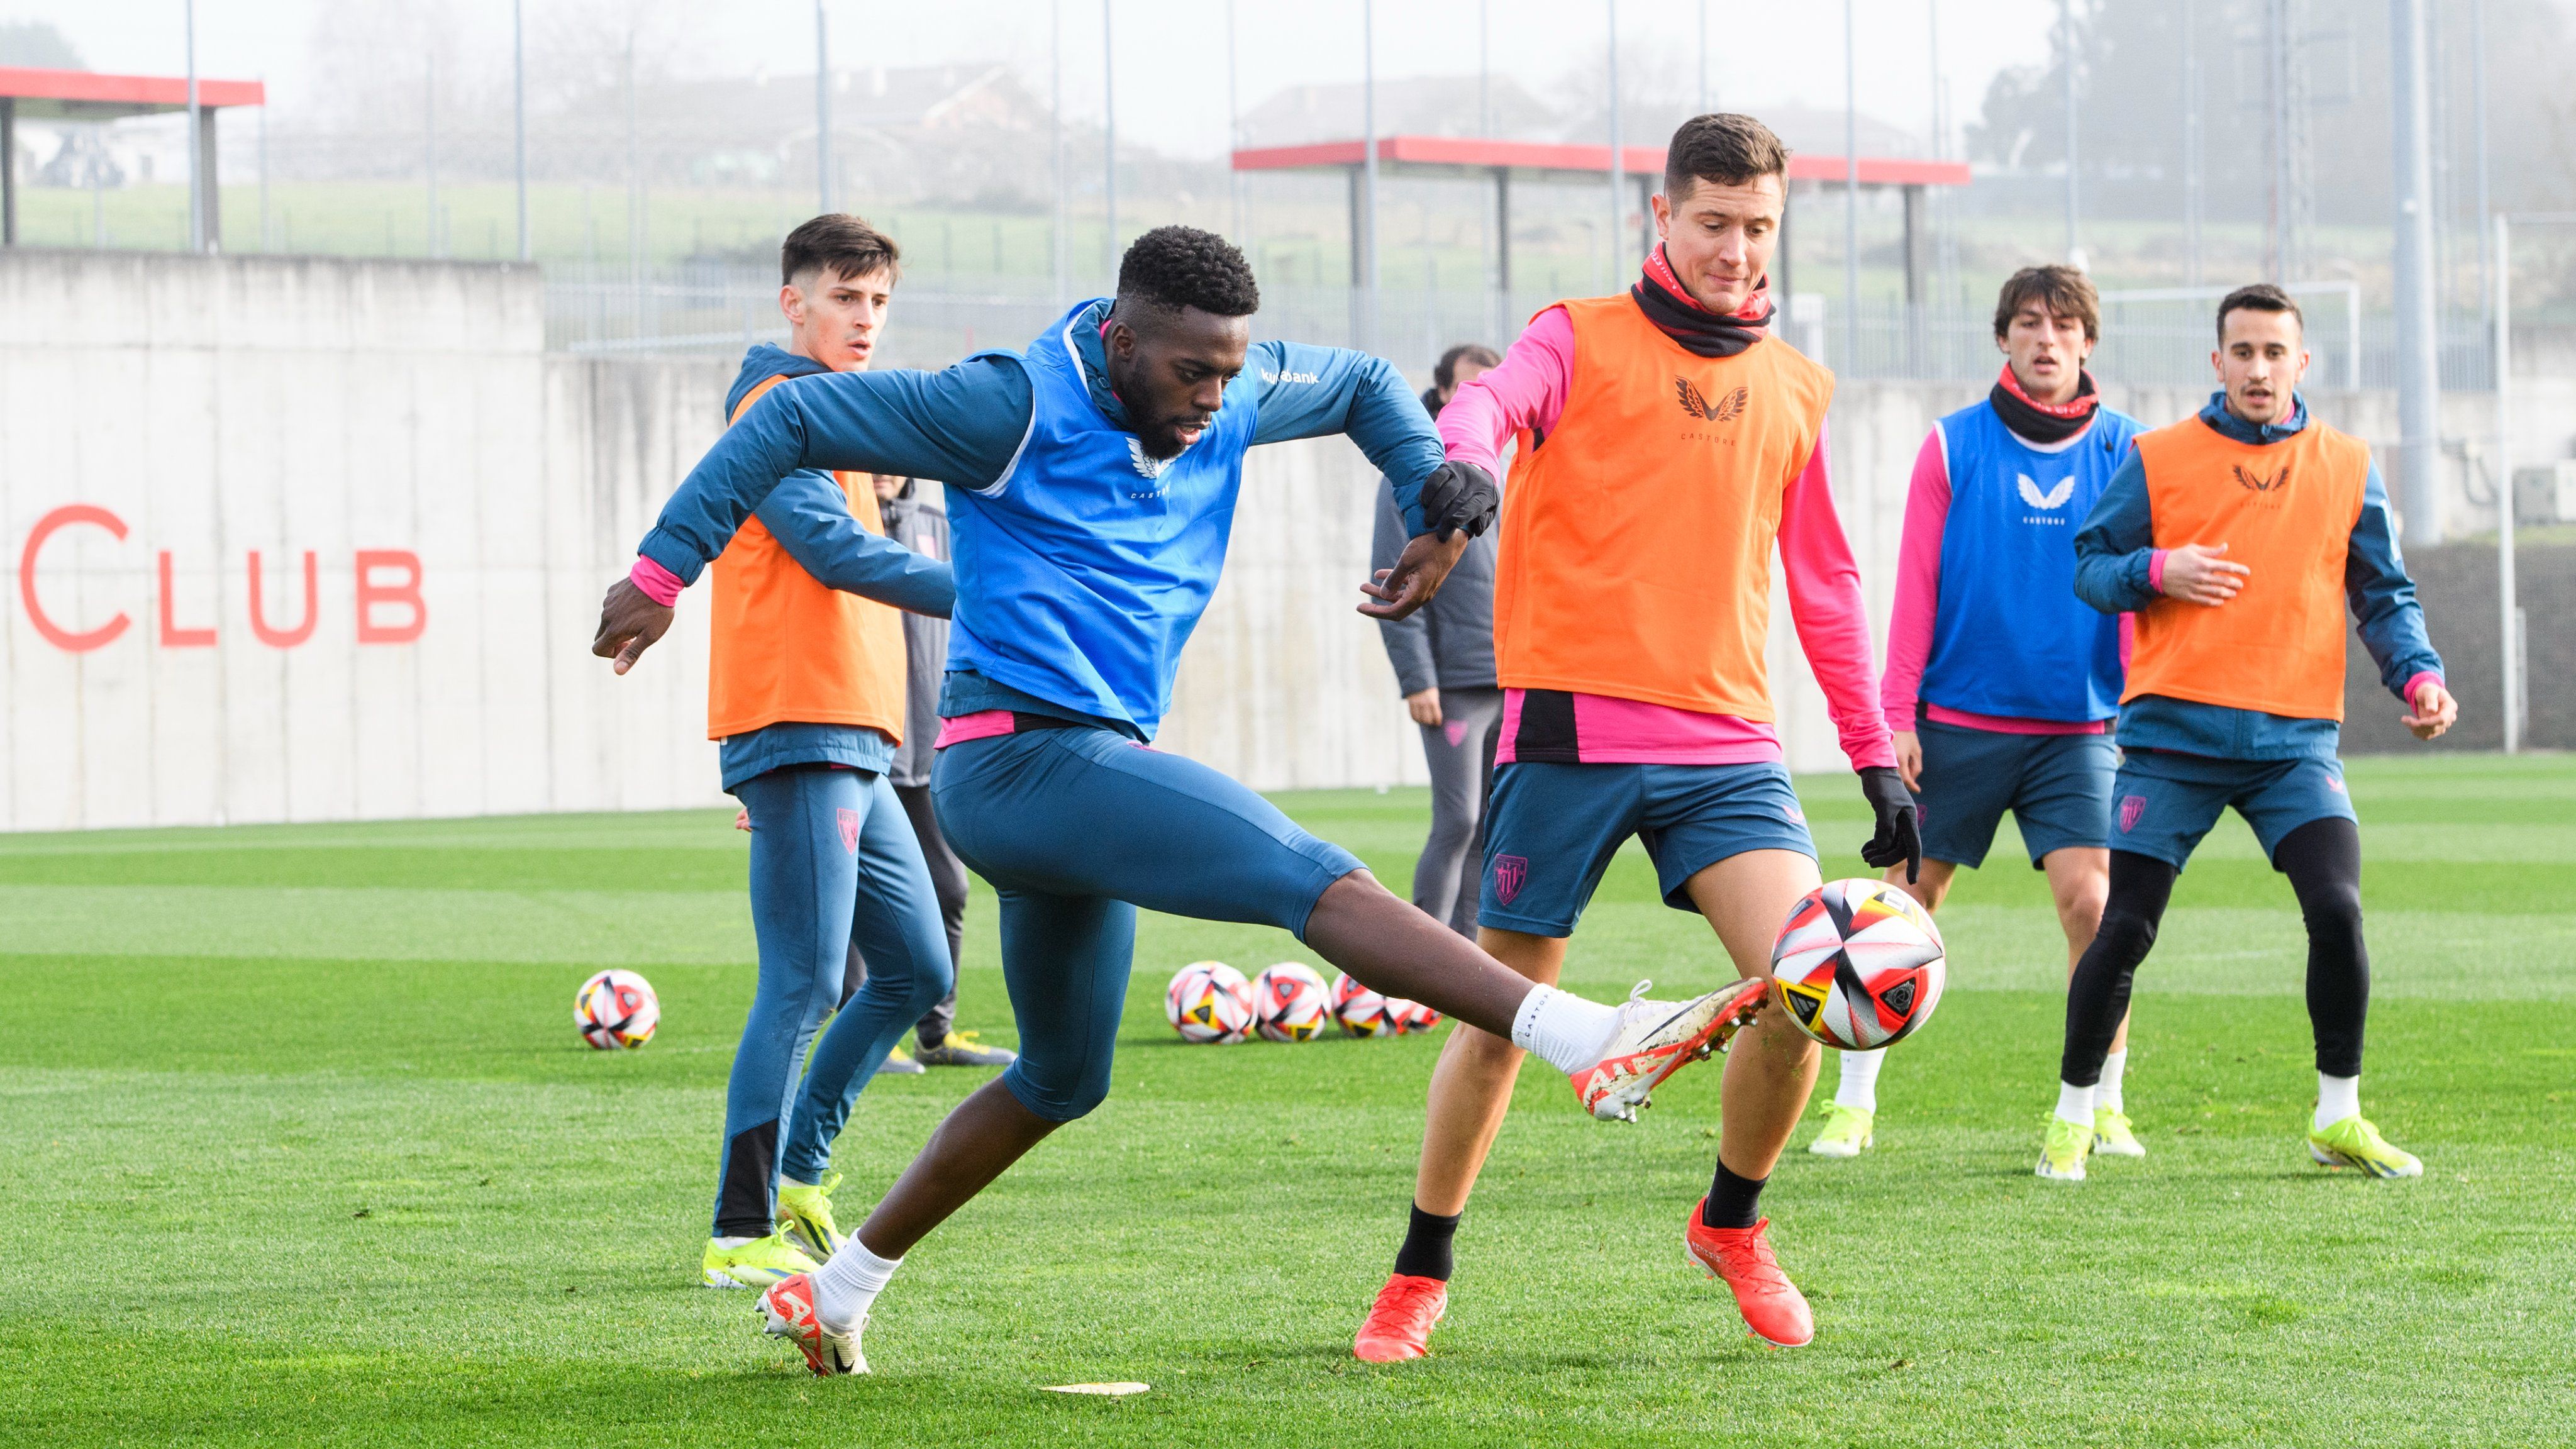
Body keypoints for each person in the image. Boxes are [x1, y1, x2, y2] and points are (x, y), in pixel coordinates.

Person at [592, 226, 1758, 1376]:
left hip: (1083, 767)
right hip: (1013, 761)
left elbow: (1363, 383)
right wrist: (660, 573)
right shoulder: (1005, 405)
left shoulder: (1233, 390)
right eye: (1188, 371)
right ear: (1119, 340)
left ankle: (836, 1288)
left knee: (1064, 1078)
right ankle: (1589, 1039)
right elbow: (788, 419)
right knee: (1308, 873)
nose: (1211, 398)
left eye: (1227, 372)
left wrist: (1429, 488)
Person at [1350, 113, 1919, 1362]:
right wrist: (1461, 471)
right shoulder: (1577, 334)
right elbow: (1485, 404)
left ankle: (1730, 1222)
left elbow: (1825, 588)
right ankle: (1418, 1271)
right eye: (1711, 222)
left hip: (1728, 747)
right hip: (1565, 736)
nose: (1734, 249)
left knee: (1806, 987)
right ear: (1659, 216)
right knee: (1499, 1017)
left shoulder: (1796, 388)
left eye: (1756, 227)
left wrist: (1872, 752)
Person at [2041, 282, 2457, 1184]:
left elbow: (2383, 594)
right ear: (2217, 361)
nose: (2259, 369)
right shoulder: (2159, 458)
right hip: (2172, 742)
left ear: (2301, 362)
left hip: (2294, 746)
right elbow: (2090, 567)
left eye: (2275, 353)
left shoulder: (2347, 464)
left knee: (2338, 910)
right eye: (2243, 352)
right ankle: (2073, 1116)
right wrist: (2158, 569)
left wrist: (2419, 676)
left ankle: (2338, 1116)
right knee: (2125, 926)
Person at [1811, 266, 2149, 1162]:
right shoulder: (1952, 444)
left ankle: (2103, 1102)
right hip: (1957, 723)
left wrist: (2142, 704)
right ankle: (1854, 1103)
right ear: (2003, 338)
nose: (2047, 339)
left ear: (2088, 342)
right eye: (2029, 323)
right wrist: (1896, 715)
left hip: (2079, 731)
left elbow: (2139, 591)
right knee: (1901, 905)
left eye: (2065, 325)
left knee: (2094, 906)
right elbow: (1915, 585)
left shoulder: (2129, 451)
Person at [692, 215, 960, 1291]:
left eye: (879, 301)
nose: (866, 318)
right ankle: (736, 1228)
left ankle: (799, 1172)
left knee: (917, 968)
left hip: (855, 731)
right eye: (845, 297)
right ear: (792, 302)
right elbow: (831, 550)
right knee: (804, 981)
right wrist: (992, 594)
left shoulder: (836, 411)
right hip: (799, 722)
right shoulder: (773, 405)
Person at [840, 472, 1023, 1073]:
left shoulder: (942, 527)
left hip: (935, 745)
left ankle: (935, 1035)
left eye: (891, 460)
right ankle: (863, 1041)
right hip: (865, 745)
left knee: (949, 888)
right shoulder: (836, 527)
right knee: (853, 895)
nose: (883, 471)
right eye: (871, 461)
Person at [1371, 343, 1504, 937]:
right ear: (1444, 393)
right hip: (1451, 686)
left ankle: (1468, 956)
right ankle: (1423, 957)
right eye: (1467, 387)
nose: (1477, 399)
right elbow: (1390, 580)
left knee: (1491, 827)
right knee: (1457, 821)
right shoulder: (1412, 476)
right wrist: (1417, 678)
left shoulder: (1503, 473)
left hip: (1510, 680)